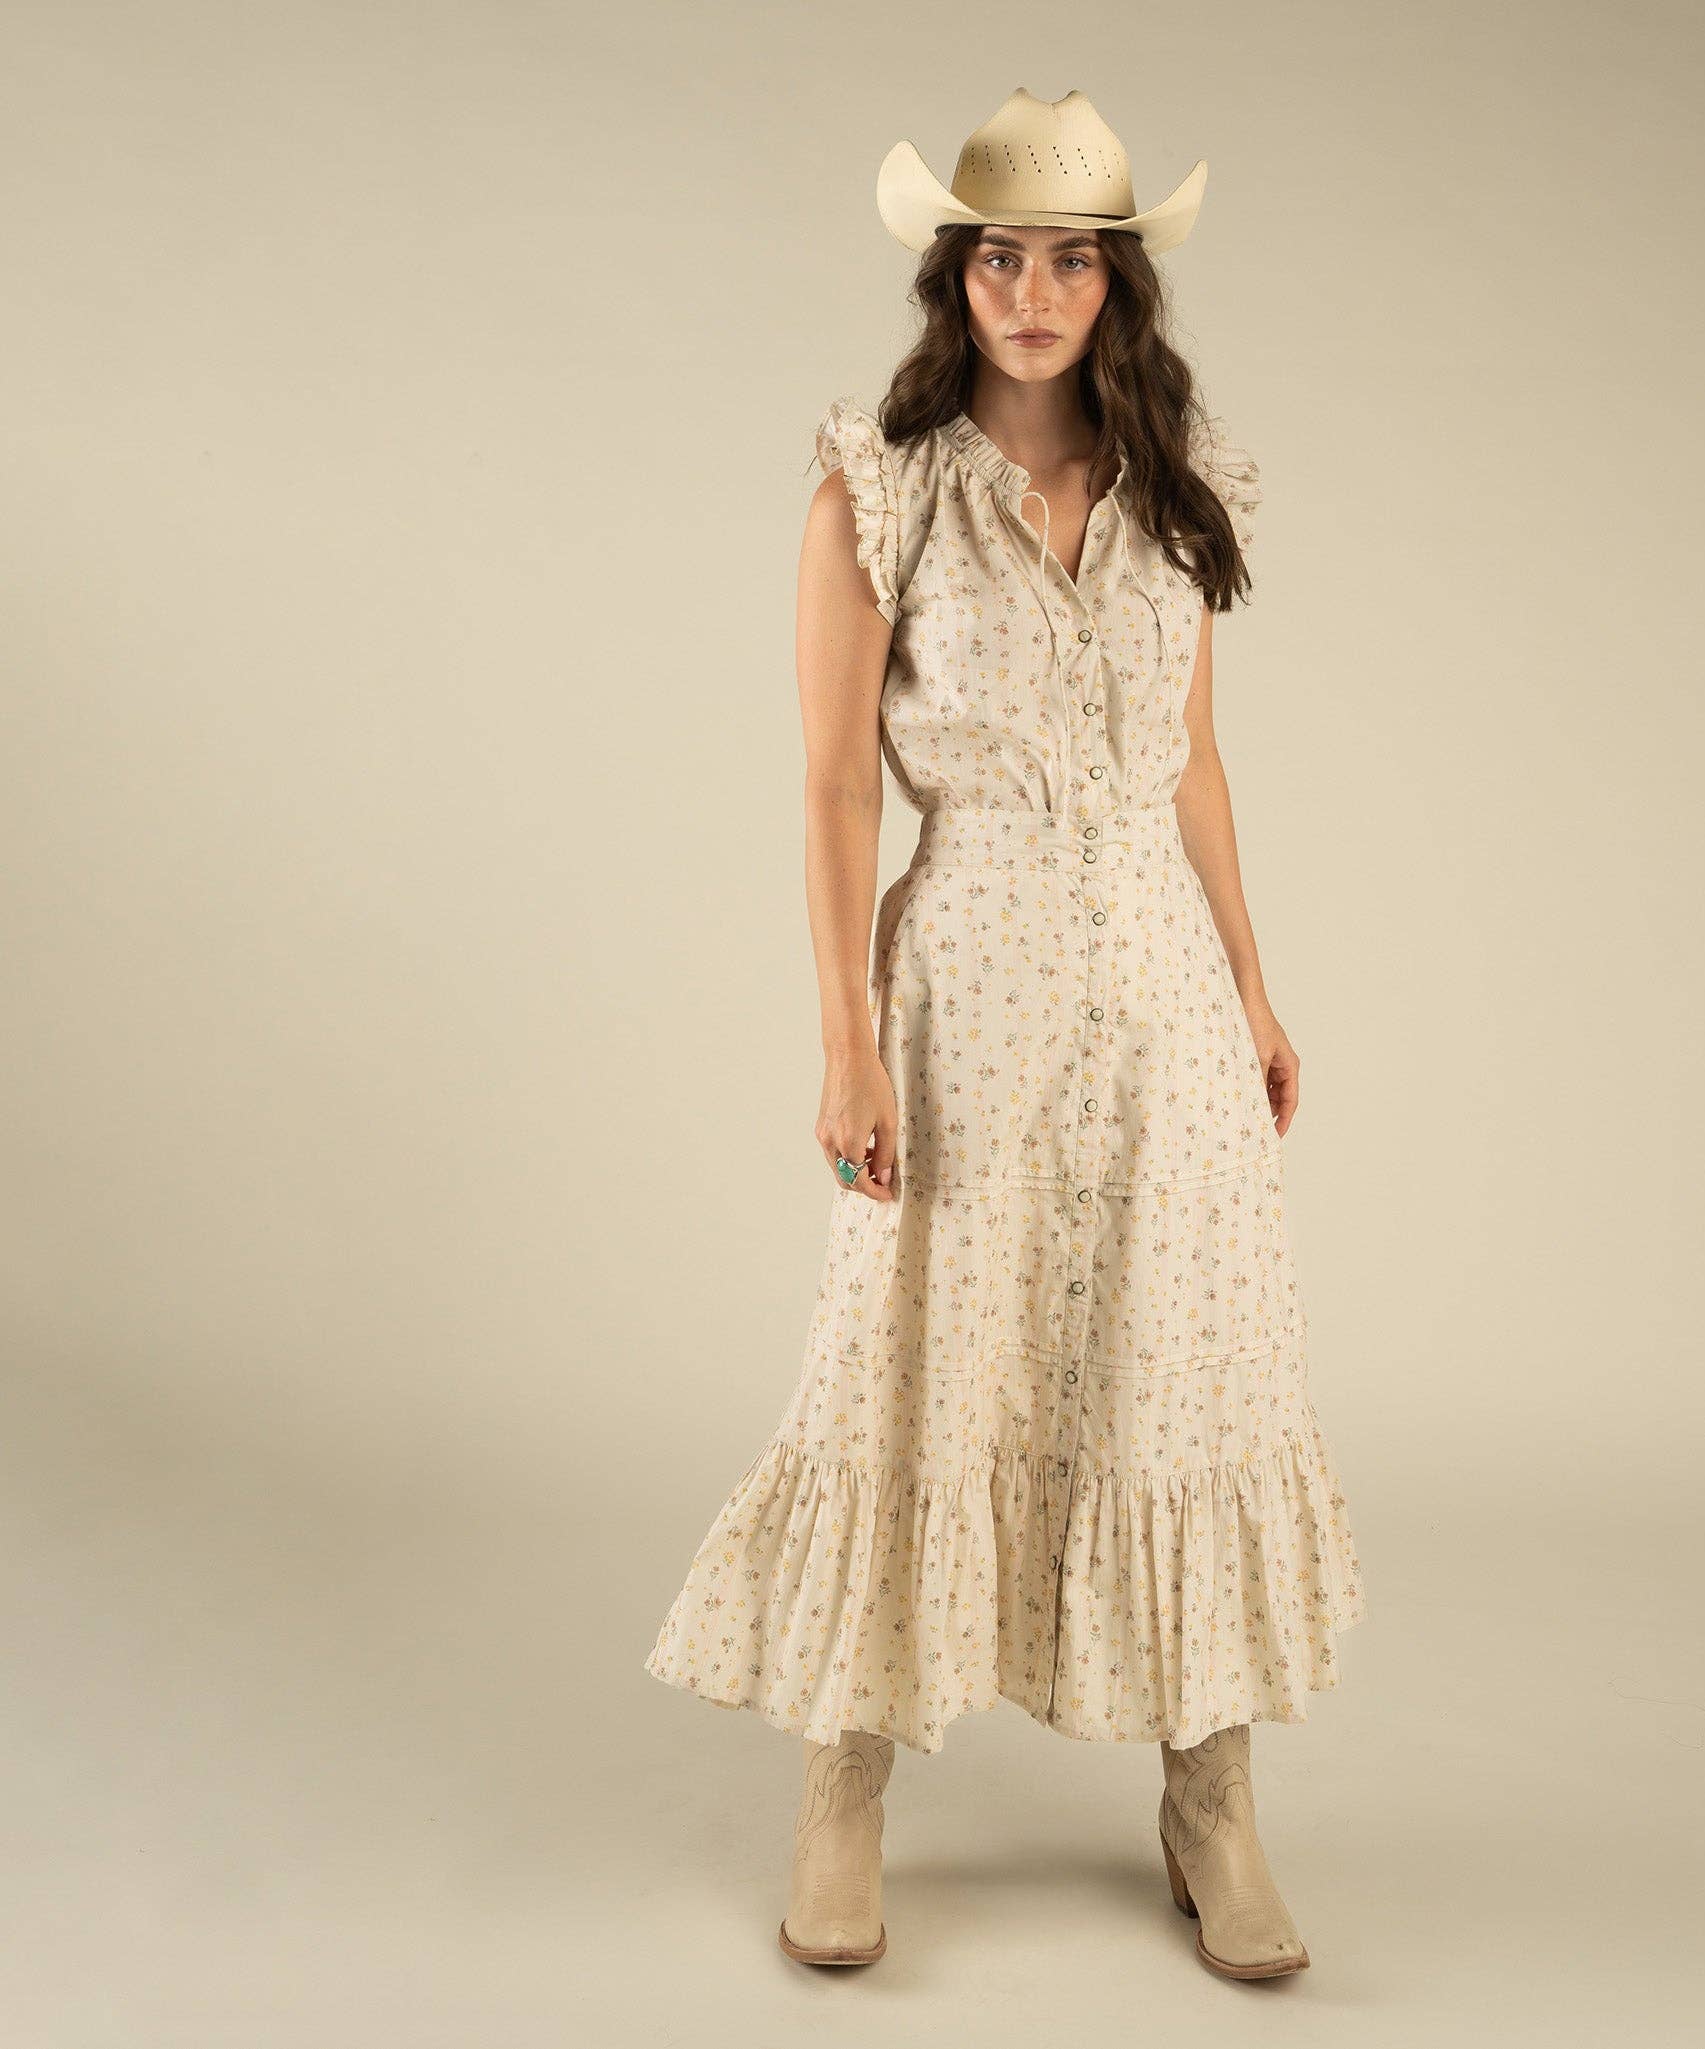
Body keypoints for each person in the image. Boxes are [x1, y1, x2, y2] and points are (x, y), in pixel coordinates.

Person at [644, 87, 1366, 1981]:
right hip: (964, 984)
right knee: (909, 1369)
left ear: (1116, 284)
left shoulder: (1179, 483)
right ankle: (844, 1787)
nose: (1030, 293)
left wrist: (1252, 975)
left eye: (1067, 261)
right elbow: (832, 787)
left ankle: (1210, 1797)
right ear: (950, 276)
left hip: (1159, 998)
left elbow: (1194, 756)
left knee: (1179, 1367)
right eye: (996, 258)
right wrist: (845, 1037)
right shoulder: (876, 490)